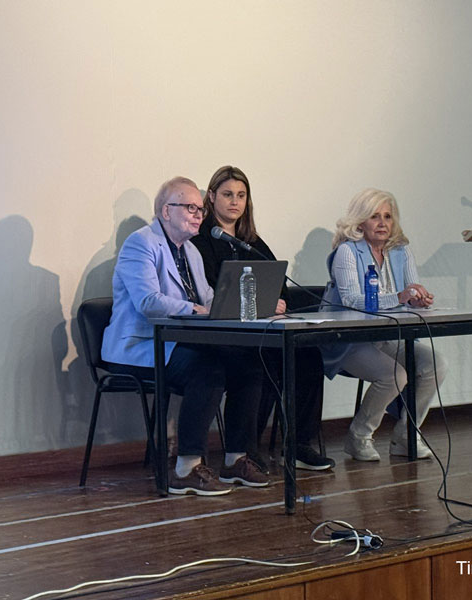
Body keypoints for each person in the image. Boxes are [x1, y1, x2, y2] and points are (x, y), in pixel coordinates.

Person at [101, 176, 268, 495]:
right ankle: (186, 468)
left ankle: (236, 459)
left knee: (248, 364)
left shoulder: (190, 250)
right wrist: (196, 309)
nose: (198, 215)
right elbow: (148, 302)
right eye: (190, 208)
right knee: (206, 369)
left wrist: (232, 306)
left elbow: (208, 298)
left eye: (200, 210)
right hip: (140, 346)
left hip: (180, 343)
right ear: (166, 211)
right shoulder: (141, 243)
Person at [191, 165, 334, 471]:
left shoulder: (251, 241)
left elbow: (276, 280)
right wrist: (261, 304)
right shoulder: (200, 240)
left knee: (308, 356)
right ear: (211, 197)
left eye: (241, 195)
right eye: (228, 194)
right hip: (222, 334)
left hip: (259, 329)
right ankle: (246, 450)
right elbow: (213, 291)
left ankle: (299, 444)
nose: (235, 202)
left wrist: (278, 302)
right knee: (262, 360)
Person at [322, 188, 447, 461]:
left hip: (386, 336)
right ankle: (358, 437)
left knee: (435, 364)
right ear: (360, 221)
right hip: (348, 340)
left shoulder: (400, 251)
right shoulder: (347, 251)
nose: (382, 223)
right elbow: (353, 301)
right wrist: (400, 297)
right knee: (394, 375)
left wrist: (418, 299)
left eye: (387, 217)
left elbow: (410, 292)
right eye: (374, 216)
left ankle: (406, 436)